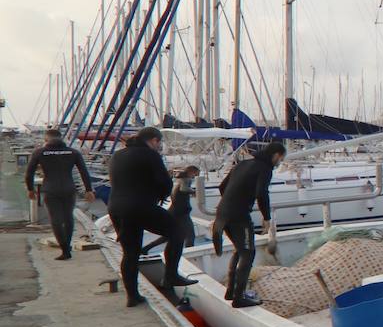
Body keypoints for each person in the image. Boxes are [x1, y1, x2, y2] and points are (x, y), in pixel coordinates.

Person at [107, 127, 195, 306]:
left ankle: (132, 297)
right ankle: (170, 276)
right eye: (159, 142)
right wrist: (160, 196)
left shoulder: (118, 155)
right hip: (140, 205)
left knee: (130, 253)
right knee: (178, 232)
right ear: (154, 140)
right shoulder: (150, 155)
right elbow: (165, 182)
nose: (159, 146)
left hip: (116, 206)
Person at [212, 143, 285, 308]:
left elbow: (222, 186)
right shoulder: (265, 169)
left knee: (240, 250)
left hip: (222, 213)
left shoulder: (243, 163)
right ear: (276, 155)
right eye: (281, 158)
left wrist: (231, 201)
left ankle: (231, 291)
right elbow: (261, 193)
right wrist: (266, 217)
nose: (280, 161)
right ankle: (239, 298)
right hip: (238, 216)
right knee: (248, 253)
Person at [24, 128, 95, 260]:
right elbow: (84, 172)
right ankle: (67, 246)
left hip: (50, 189)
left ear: (46, 139)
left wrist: (30, 189)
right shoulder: (73, 152)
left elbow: (29, 174)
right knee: (68, 217)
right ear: (61, 138)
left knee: (55, 219)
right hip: (69, 188)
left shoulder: (40, 152)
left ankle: (65, 250)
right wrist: (88, 189)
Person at [167, 164, 200, 254]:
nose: (195, 177)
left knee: (170, 235)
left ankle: (147, 248)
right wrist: (195, 192)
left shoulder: (179, 179)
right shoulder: (186, 179)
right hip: (181, 212)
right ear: (191, 172)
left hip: (175, 210)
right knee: (190, 235)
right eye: (195, 174)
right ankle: (190, 253)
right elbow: (184, 189)